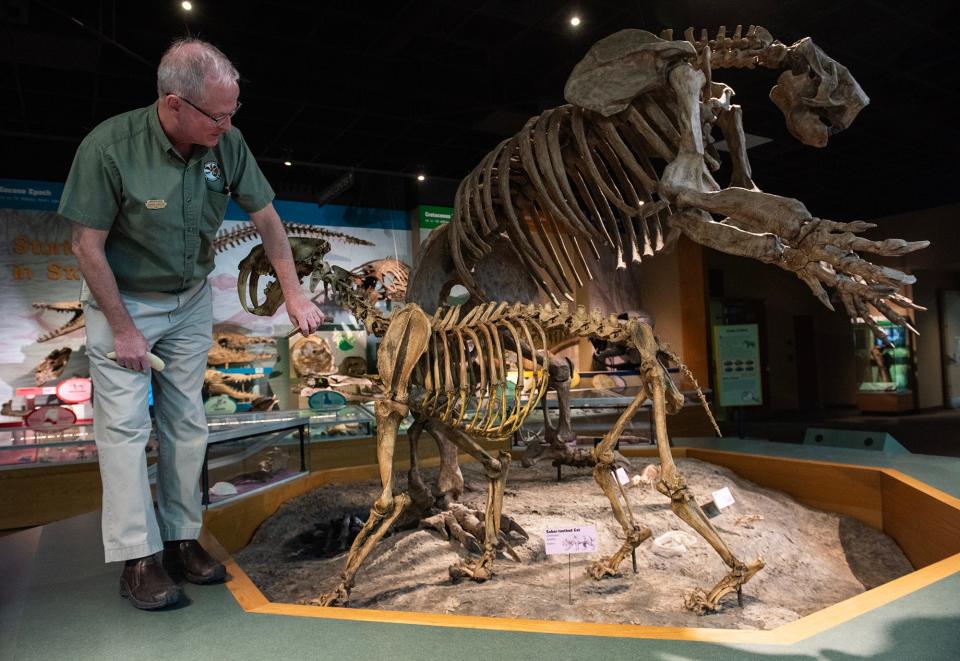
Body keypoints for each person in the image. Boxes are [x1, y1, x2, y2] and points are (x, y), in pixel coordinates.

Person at [58, 38, 322, 610]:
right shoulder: (108, 148)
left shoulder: (225, 143)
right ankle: (138, 558)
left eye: (233, 114)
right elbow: (86, 244)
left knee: (188, 423)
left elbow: (268, 220)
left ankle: (180, 541)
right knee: (125, 429)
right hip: (122, 298)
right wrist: (124, 329)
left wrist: (294, 295)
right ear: (174, 104)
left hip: (191, 296)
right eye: (217, 115)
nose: (227, 126)